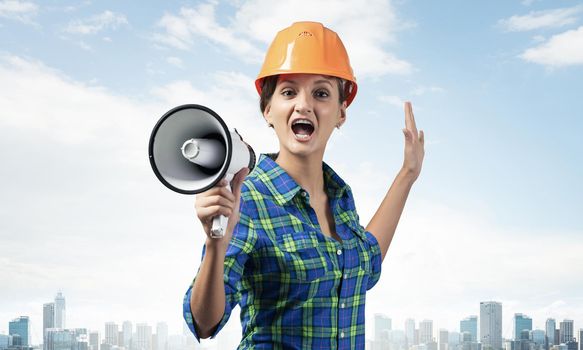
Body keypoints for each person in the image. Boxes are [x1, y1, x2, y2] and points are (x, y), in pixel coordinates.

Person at [182, 21, 425, 349]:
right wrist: (215, 246)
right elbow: (204, 322)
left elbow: (364, 264)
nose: (304, 105)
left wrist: (407, 174)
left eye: (321, 93)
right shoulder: (246, 197)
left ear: (341, 112)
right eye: (288, 92)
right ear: (268, 110)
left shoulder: (339, 196)